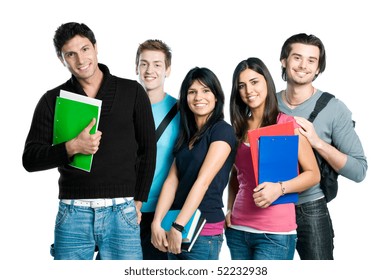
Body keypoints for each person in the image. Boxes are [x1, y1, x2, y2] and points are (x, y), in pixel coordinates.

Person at [22, 22, 156, 260]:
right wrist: (72, 147)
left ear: (95, 48)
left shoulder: (132, 92)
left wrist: (138, 200)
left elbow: (148, 150)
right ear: (61, 59)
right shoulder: (53, 100)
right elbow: (30, 159)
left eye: (85, 49)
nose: (80, 59)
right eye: (70, 54)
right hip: (73, 213)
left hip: (122, 211)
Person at [277, 33, 368, 259]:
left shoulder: (334, 109)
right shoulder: (266, 101)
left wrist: (317, 142)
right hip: (270, 206)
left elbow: (359, 170)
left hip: (310, 207)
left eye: (311, 60)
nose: (303, 66)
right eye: (297, 57)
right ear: (284, 61)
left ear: (318, 69)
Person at [225, 57, 320, 260]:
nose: (248, 90)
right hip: (238, 230)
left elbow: (313, 175)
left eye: (254, 82)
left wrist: (280, 188)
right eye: (241, 86)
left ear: (267, 81)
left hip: (274, 234)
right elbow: (235, 173)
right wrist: (230, 208)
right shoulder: (237, 129)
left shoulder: (288, 125)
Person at [151, 67, 236, 260]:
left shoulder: (222, 131)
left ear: (216, 97)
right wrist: (157, 222)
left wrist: (178, 225)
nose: (199, 97)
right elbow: (171, 181)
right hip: (174, 227)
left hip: (202, 231)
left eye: (206, 90)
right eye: (192, 91)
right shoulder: (186, 135)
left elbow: (203, 182)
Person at [135, 39, 180, 260]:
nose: (149, 70)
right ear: (136, 68)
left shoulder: (181, 111)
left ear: (168, 70)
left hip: (161, 212)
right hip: (124, 210)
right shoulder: (125, 107)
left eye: (157, 64)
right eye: (144, 64)